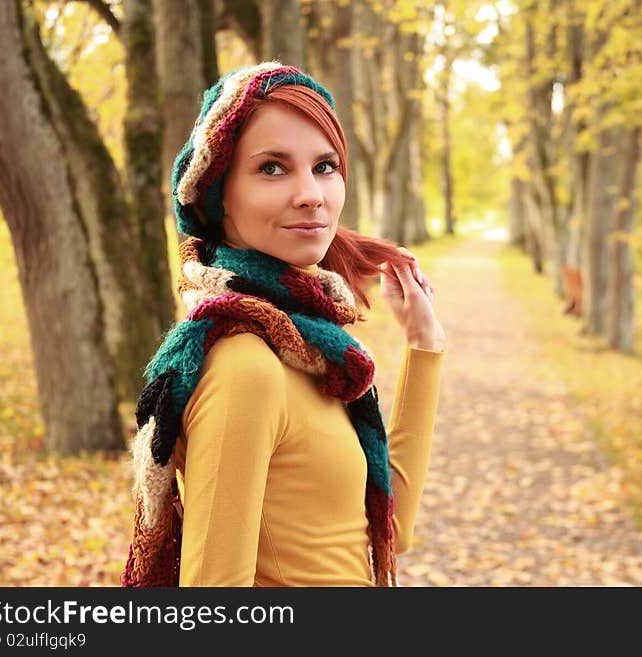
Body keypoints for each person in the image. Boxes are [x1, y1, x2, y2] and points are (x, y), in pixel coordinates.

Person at [121, 62, 444, 587]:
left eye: (324, 166)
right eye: (272, 168)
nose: (311, 194)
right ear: (217, 193)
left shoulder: (308, 346)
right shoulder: (245, 365)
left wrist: (424, 344)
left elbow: (391, 529)